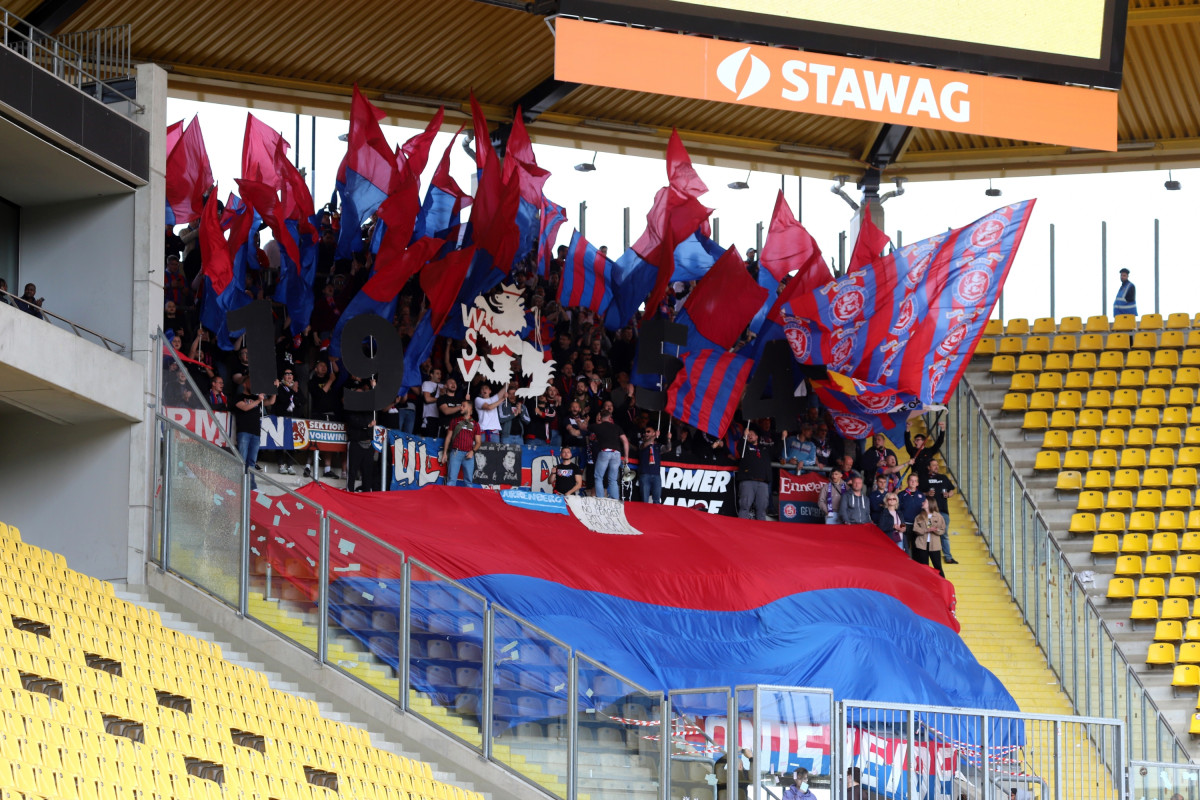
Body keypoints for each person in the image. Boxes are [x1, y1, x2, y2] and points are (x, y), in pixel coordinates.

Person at [233, 376, 274, 489]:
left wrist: (274, 390)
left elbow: (271, 401)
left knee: (252, 461)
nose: (253, 385)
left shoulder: (256, 398)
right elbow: (245, 408)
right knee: (242, 460)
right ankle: (239, 486)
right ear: (244, 384)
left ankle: (252, 487)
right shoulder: (238, 397)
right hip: (244, 432)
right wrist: (258, 400)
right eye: (250, 383)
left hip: (256, 433)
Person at [343, 376, 377, 492]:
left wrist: (373, 388)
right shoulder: (350, 406)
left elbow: (375, 401)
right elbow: (353, 420)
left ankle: (366, 495)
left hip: (368, 443)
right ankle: (349, 493)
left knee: (367, 473)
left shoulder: (369, 407)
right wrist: (367, 424)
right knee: (352, 471)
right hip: (356, 442)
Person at [735, 428, 773, 520]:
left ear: (757, 437)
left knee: (762, 509)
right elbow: (739, 448)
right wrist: (744, 437)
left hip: (763, 482)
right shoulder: (745, 447)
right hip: (748, 481)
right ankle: (740, 528)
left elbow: (776, 452)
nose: (750, 436)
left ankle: (761, 529)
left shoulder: (764, 448)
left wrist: (783, 439)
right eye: (748, 435)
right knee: (744, 506)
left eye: (752, 434)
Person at [924, 460, 958, 564]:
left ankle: (948, 557)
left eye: (937, 465)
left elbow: (952, 490)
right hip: (929, 512)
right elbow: (919, 492)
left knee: (944, 534)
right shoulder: (924, 478)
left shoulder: (943, 477)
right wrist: (927, 493)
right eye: (934, 465)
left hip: (943, 512)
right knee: (929, 532)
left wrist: (948, 494)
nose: (936, 467)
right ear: (928, 467)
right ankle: (927, 556)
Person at [591, 410, 629, 499]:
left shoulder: (597, 426)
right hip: (616, 453)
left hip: (605, 451)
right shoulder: (617, 427)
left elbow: (583, 427)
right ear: (610, 417)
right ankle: (615, 500)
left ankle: (600, 499)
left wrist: (579, 422)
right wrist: (626, 456)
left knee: (598, 477)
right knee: (613, 479)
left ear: (600, 417)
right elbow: (625, 441)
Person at [442, 402, 481, 487]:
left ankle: (468, 496)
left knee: (469, 482)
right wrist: (445, 453)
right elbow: (448, 437)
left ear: (470, 409)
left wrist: (472, 451)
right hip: (456, 453)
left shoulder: (476, 424)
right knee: (451, 480)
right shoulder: (455, 421)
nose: (461, 408)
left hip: (468, 454)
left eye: (463, 406)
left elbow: (478, 442)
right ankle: (449, 496)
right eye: (461, 406)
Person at [912, 497, 947, 577]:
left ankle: (942, 583)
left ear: (930, 504)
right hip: (921, 545)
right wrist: (926, 530)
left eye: (925, 501)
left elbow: (942, 530)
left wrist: (935, 530)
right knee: (924, 567)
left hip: (935, 546)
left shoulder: (939, 517)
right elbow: (915, 529)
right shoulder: (919, 516)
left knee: (938, 567)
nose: (922, 503)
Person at [905, 421, 945, 489]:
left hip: (927, 479)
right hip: (916, 479)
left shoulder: (929, 451)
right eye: (914, 441)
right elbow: (907, 441)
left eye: (917, 440)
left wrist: (942, 429)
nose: (915, 442)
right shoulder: (912, 451)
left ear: (923, 441)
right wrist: (907, 429)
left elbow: (939, 442)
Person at [897, 473, 925, 553]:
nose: (913, 482)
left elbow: (925, 512)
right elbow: (898, 511)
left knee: (917, 548)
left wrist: (926, 525)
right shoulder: (901, 495)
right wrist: (902, 525)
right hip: (904, 524)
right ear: (907, 481)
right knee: (904, 548)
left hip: (917, 525)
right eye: (911, 480)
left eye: (915, 481)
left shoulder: (922, 496)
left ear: (917, 483)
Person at [637, 427, 662, 503]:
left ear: (653, 433)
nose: (646, 433)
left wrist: (669, 439)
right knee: (644, 500)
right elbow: (646, 444)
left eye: (648, 431)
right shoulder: (641, 444)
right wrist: (654, 436)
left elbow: (668, 448)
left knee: (657, 500)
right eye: (645, 432)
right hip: (645, 475)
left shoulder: (658, 446)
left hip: (656, 475)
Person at [420, 367, 444, 437]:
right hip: (429, 416)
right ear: (431, 374)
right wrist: (440, 399)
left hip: (441, 417)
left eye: (440, 374)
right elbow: (427, 399)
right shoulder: (427, 383)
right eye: (437, 373)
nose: (439, 375)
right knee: (428, 438)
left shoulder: (442, 386)